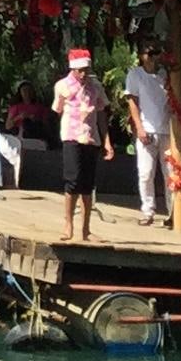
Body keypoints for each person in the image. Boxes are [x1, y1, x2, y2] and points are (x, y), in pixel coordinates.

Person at [51, 45, 109, 240]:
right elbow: (58, 110)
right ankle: (68, 224)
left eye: (86, 70)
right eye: (80, 70)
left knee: (87, 184)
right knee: (73, 180)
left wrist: (107, 141)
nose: (83, 74)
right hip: (71, 136)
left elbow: (101, 113)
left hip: (91, 138)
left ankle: (86, 229)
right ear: (73, 69)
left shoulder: (96, 87)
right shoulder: (62, 86)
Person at [121, 40, 173, 227]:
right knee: (146, 173)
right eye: (149, 53)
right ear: (141, 56)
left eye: (156, 53)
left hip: (166, 130)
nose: (152, 57)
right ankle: (148, 211)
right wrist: (139, 127)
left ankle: (173, 212)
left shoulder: (165, 74)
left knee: (170, 173)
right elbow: (132, 102)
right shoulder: (135, 74)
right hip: (147, 128)